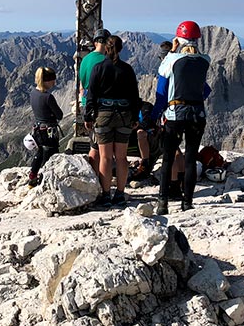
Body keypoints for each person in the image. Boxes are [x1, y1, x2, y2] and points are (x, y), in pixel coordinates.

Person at [150, 21, 212, 215]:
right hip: (197, 114)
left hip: (175, 113)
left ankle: (163, 203)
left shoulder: (171, 60)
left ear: (179, 38)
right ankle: (187, 202)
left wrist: (154, 117)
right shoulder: (205, 60)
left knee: (168, 158)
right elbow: (206, 90)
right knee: (190, 159)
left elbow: (161, 92)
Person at [84, 35, 140, 206]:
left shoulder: (98, 68)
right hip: (124, 115)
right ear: (121, 49)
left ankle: (106, 195)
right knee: (122, 157)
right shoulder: (127, 69)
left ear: (106, 48)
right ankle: (120, 194)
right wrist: (135, 115)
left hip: (104, 115)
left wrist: (88, 116)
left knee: (106, 157)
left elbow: (91, 94)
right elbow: (134, 95)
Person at [78, 27, 110, 172]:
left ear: (95, 42)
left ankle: (92, 177)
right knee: (102, 150)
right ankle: (101, 183)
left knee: (94, 145)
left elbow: (81, 86)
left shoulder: (85, 60)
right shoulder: (107, 60)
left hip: (86, 105)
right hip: (101, 107)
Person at [28, 66, 63, 187]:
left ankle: (32, 177)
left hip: (38, 130)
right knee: (52, 156)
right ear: (46, 81)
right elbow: (60, 115)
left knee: (40, 152)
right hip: (49, 132)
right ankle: (48, 183)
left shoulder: (33, 93)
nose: (54, 83)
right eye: (53, 80)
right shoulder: (48, 97)